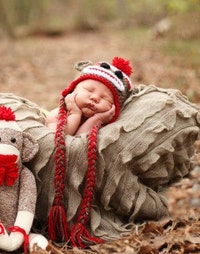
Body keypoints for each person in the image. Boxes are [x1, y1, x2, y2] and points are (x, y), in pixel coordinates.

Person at [45, 57, 135, 247]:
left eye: (105, 98)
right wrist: (76, 114)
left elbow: (84, 140)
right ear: (71, 92)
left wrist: (98, 119)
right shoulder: (58, 113)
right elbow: (67, 139)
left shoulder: (106, 127)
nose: (95, 98)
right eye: (89, 90)